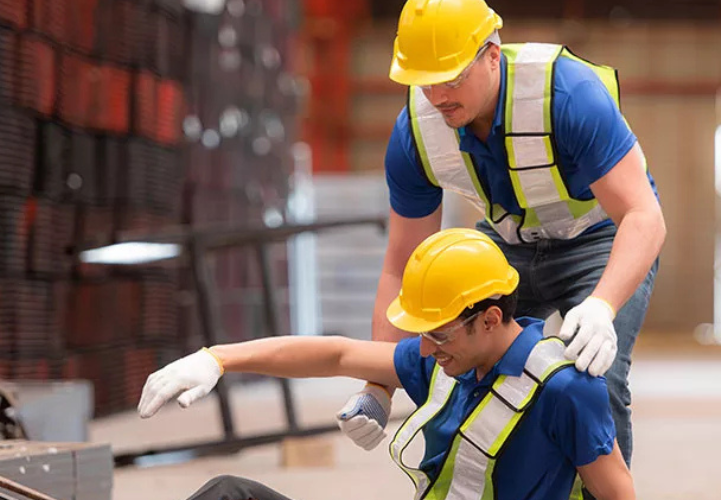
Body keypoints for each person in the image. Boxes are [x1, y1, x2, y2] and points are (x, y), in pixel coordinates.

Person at [335, 0, 665, 483]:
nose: (437, 95)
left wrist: (601, 307)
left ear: (492, 54)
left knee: (593, 374)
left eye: (450, 77)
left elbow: (644, 215)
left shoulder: (567, 94)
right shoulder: (416, 132)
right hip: (507, 241)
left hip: (598, 238)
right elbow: (403, 264)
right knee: (456, 352)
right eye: (424, 80)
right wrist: (379, 384)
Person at [138, 229, 636, 500]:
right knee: (230, 496)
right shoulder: (451, 360)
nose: (424, 349)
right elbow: (336, 353)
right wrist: (218, 359)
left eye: (437, 333)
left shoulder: (566, 390)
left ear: (488, 319)